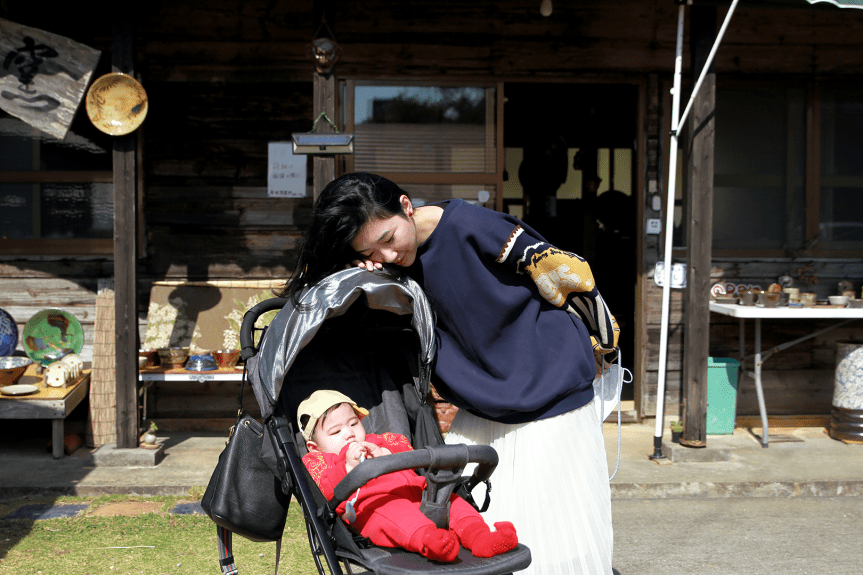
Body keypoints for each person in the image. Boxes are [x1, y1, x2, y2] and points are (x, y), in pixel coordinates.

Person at [282, 172, 620, 575]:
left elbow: (564, 273)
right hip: (485, 400)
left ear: (406, 207)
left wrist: (604, 343)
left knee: (552, 527)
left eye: (389, 239)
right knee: (470, 518)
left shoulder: (470, 227)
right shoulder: (385, 271)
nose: (387, 256)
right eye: (371, 251)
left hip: (549, 382)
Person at [298, 390, 519, 562]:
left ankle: (480, 536)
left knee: (453, 501)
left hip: (418, 493)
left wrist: (385, 453)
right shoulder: (318, 461)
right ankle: (431, 542)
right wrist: (347, 467)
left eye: (354, 423)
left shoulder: (380, 440)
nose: (349, 433)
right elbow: (322, 488)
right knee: (398, 514)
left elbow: (408, 450)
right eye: (336, 432)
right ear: (313, 446)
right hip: (374, 507)